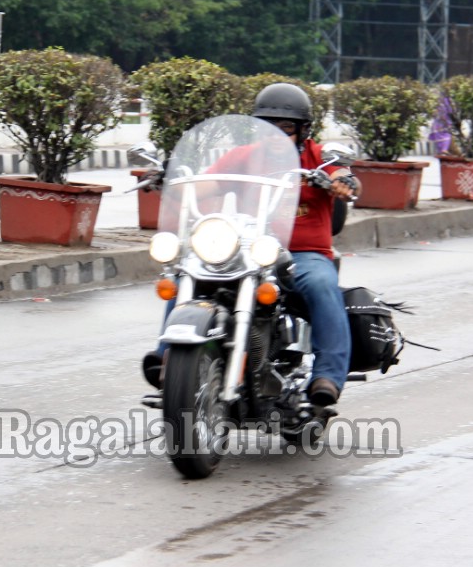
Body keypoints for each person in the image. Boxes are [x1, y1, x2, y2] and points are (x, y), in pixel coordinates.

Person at [141, 83, 360, 408]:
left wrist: (343, 181)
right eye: (268, 126)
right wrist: (171, 182)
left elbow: (342, 173)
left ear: (302, 130)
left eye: (285, 127)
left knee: (321, 283)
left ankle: (328, 375)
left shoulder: (317, 158)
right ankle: (168, 360)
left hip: (303, 254)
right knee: (187, 272)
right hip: (246, 247)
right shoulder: (243, 157)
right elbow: (204, 187)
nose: (275, 134)